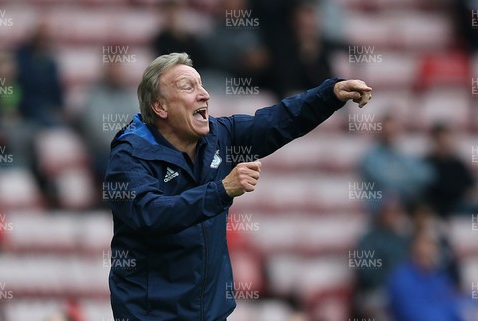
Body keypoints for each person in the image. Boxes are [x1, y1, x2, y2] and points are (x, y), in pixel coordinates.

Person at [104, 52, 372, 320]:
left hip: (210, 314)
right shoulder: (129, 157)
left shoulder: (218, 136)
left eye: (201, 85)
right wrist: (221, 191)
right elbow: (151, 214)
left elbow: (278, 121)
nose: (204, 94)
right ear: (160, 107)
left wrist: (330, 95)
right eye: (189, 87)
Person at [387, 229, 466, 321]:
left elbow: (453, 307)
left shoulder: (439, 277)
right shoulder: (401, 280)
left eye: (432, 245)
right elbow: (414, 314)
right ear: (414, 251)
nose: (431, 251)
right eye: (426, 245)